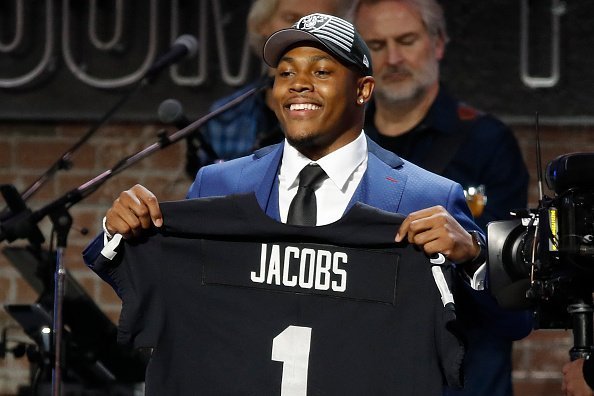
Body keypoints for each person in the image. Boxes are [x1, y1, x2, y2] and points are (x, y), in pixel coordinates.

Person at [83, 13, 531, 393]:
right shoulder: (219, 183)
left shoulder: (427, 196)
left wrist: (474, 257)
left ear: (363, 90)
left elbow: (511, 323)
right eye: (285, 73)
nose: (299, 84)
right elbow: (169, 298)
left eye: (321, 72)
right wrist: (121, 232)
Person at [353, 1, 531, 395]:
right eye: (376, 45)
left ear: (438, 43)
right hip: (364, 366)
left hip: (463, 376)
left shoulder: (487, 142)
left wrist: (471, 252)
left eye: (407, 40)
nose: (393, 58)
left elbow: (516, 301)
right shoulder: (342, 146)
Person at [186, 0, 355, 178]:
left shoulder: (355, 111)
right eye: (290, 18)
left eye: (319, 22)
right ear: (262, 25)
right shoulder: (226, 116)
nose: (303, 32)